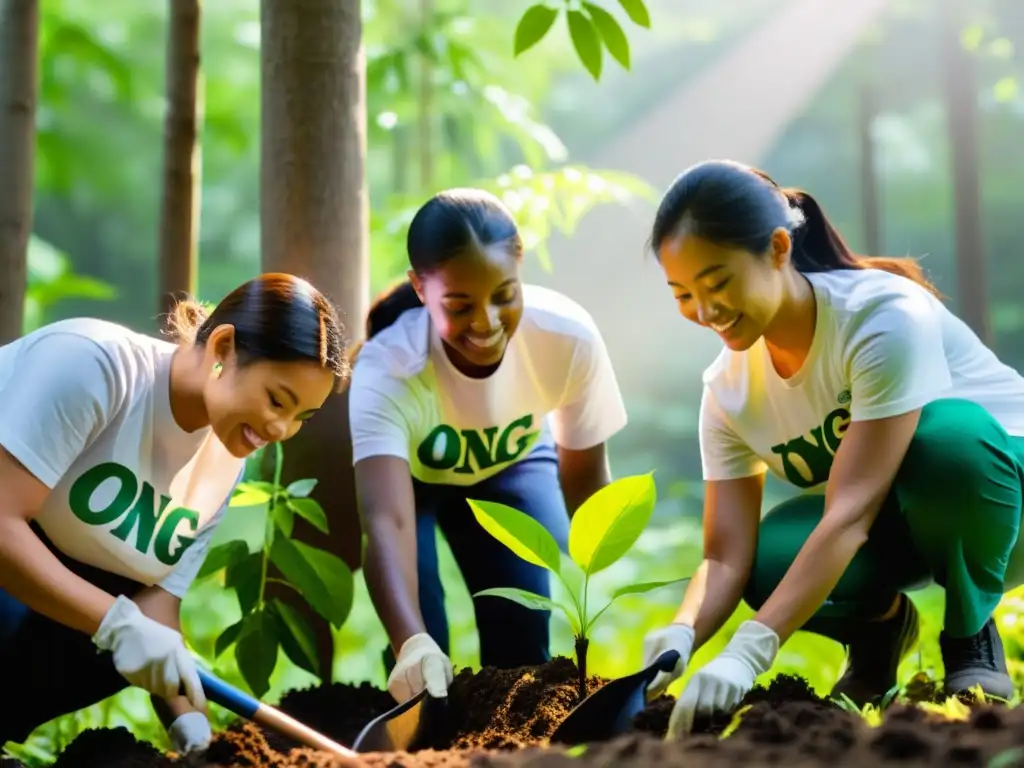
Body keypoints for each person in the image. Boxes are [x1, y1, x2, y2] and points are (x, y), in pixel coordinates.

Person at [636, 159, 1024, 738]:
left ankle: (971, 633)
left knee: (947, 441)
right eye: (683, 294)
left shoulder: (879, 317)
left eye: (717, 283)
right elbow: (724, 555)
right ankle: (879, 635)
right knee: (769, 558)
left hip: (1004, 502)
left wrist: (751, 650)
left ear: (777, 248)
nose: (704, 310)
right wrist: (683, 632)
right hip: (904, 521)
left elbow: (850, 510)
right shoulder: (727, 392)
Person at [0, 273, 346, 754]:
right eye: (276, 400)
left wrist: (198, 735)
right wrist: (115, 623)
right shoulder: (94, 365)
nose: (282, 429)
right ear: (223, 347)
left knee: (117, 633)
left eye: (300, 418)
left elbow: (155, 608)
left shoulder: (225, 465)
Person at [348, 187, 628, 704]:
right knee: (421, 640)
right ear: (419, 287)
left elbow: (585, 477)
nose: (487, 323)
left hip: (513, 465)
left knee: (521, 640)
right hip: (411, 486)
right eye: (459, 305)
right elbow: (386, 520)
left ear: (521, 268)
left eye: (504, 295)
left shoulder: (566, 337)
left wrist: (593, 572)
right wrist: (411, 642)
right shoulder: (389, 368)